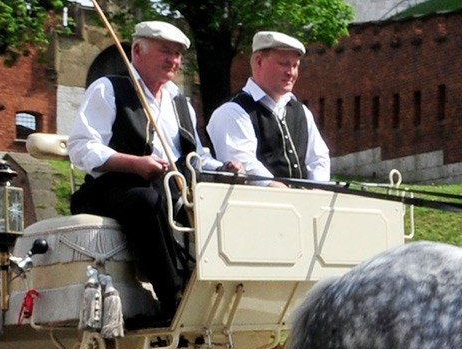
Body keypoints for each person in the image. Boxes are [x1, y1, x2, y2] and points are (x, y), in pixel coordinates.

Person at [68, 20, 235, 320]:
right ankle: (171, 295)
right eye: (165, 52)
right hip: (113, 187)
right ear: (137, 51)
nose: (173, 60)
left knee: (218, 205)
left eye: (178, 54)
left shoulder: (179, 102)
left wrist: (222, 167)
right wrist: (134, 163)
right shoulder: (109, 89)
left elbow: (194, 156)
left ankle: (219, 293)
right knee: (148, 199)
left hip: (173, 188)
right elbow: (81, 147)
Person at [206, 30, 332, 187]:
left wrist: (318, 190)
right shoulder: (232, 112)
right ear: (259, 61)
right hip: (256, 208)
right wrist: (280, 190)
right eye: (284, 64)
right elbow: (246, 166)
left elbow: (318, 158)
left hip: (303, 207)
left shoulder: (301, 112)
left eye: (295, 65)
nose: (291, 73)